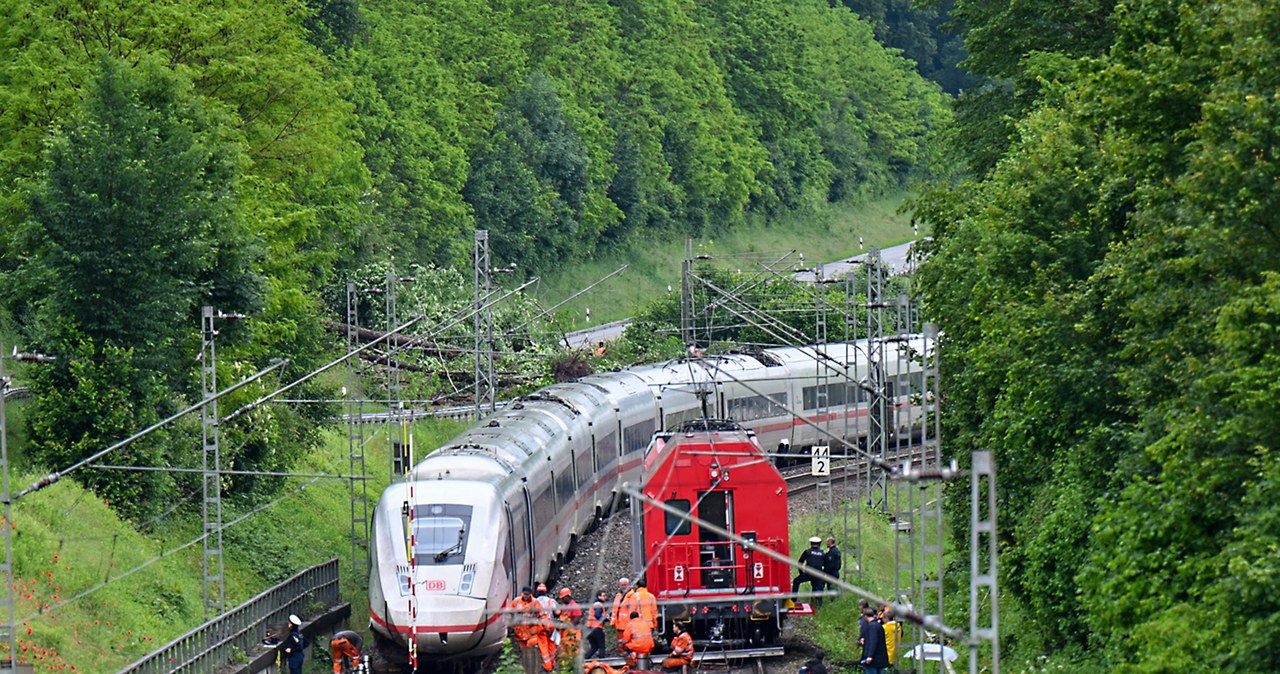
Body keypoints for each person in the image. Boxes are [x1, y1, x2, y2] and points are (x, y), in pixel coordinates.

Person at [512, 586, 554, 674]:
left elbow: (542, 615)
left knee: (531, 649)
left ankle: (536, 669)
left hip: (532, 631)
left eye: (527, 594)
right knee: (524, 652)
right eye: (525, 594)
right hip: (520, 633)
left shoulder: (535, 602)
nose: (526, 596)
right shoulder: (516, 602)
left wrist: (546, 627)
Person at [791, 537, 827, 604]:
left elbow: (800, 562)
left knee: (796, 581)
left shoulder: (807, 552)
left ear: (811, 543)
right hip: (818, 574)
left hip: (808, 574)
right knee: (818, 587)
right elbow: (826, 564)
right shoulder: (822, 553)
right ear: (819, 544)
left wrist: (801, 573)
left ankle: (793, 599)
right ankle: (818, 604)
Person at [859, 606, 890, 674]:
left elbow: (873, 641)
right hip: (881, 659)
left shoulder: (871, 626)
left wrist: (870, 656)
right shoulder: (879, 626)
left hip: (873, 660)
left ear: (865, 616)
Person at [556, 587, 583, 664]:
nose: (562, 600)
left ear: (568, 596)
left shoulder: (574, 606)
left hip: (572, 633)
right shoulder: (564, 607)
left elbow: (576, 620)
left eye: (563, 598)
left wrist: (566, 625)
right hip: (565, 634)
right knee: (563, 652)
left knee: (573, 651)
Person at [584, 590, 609, 659]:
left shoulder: (593, 604)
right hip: (596, 628)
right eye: (603, 596)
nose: (605, 597)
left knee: (594, 647)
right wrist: (605, 618)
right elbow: (597, 615)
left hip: (588, 628)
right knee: (602, 646)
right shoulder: (599, 605)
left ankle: (585, 659)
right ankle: (602, 662)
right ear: (599, 596)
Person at [611, 577, 634, 647]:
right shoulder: (618, 595)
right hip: (619, 624)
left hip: (628, 624)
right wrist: (613, 621)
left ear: (629, 584)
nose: (623, 586)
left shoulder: (632, 595)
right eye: (622, 585)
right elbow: (615, 609)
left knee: (629, 642)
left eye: (625, 584)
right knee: (620, 643)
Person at [881, 606, 903, 673]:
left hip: (886, 656)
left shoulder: (884, 628)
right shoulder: (898, 626)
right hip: (896, 654)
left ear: (885, 617)